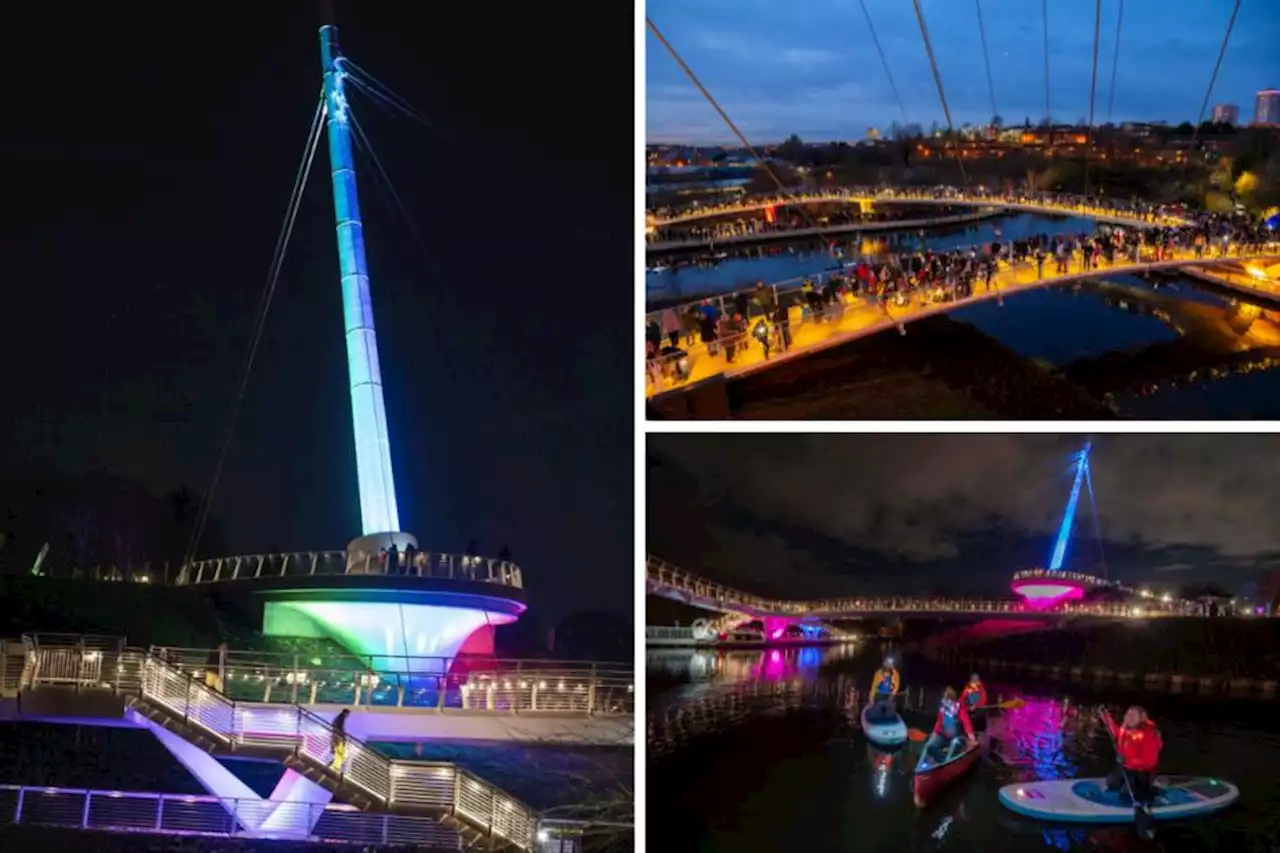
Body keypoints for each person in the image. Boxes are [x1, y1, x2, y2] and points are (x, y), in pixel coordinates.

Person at [1099, 706, 1162, 807]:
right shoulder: (1126, 728)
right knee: (1111, 782)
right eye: (1127, 715)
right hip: (1127, 768)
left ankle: (1148, 793)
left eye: (1133, 715)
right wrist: (1106, 718)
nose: (1129, 718)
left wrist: (1127, 760)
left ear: (1141, 718)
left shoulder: (1149, 734)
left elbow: (1149, 761)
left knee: (1126, 795)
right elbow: (1116, 733)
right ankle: (1131, 787)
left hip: (1142, 772)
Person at [922, 688, 976, 763]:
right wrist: (934, 735)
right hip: (944, 737)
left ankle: (947, 762)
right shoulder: (943, 708)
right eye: (946, 699)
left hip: (957, 737)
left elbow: (966, 723)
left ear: (953, 699)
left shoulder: (960, 708)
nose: (947, 701)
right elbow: (939, 723)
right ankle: (944, 761)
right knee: (930, 745)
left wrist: (972, 738)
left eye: (948, 699)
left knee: (955, 743)